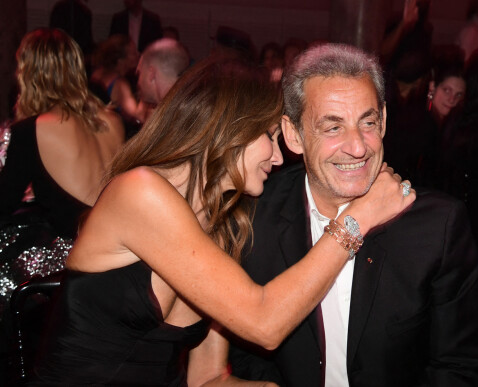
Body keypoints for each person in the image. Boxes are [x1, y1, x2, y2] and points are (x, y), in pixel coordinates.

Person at [28, 55, 414, 386]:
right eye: (269, 136)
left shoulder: (221, 226)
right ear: (228, 128)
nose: (279, 158)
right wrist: (357, 219)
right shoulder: (139, 193)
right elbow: (263, 322)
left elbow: (207, 377)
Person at [229, 43, 478, 387]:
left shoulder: (436, 226)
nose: (358, 146)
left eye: (367, 122)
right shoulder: (254, 217)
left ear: (383, 120)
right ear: (293, 135)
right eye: (333, 127)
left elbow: (459, 369)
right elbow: (246, 354)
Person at [0, 28, 125, 313]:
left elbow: (4, 202)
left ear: (28, 73)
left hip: (73, 261)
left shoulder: (31, 129)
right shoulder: (113, 119)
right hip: (116, 253)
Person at [135, 37, 190, 123]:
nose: (138, 82)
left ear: (151, 73)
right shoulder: (185, 105)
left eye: (139, 73)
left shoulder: (173, 118)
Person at [90, 34, 140, 125]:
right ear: (120, 59)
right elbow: (136, 116)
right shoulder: (120, 84)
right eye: (133, 53)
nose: (138, 55)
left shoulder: (96, 73)